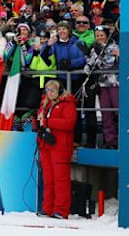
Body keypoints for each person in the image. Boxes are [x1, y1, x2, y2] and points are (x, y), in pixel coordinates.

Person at [36, 79, 77, 219]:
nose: (50, 92)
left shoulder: (68, 104)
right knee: (48, 179)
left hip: (60, 147)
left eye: (53, 90)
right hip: (46, 145)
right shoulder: (45, 104)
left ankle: (61, 209)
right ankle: (47, 208)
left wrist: (48, 122)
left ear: (59, 90)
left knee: (61, 179)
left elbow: (69, 123)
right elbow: (39, 121)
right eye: (48, 90)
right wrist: (39, 125)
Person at [86, 26, 119, 148]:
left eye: (102, 35)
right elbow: (90, 63)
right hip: (102, 84)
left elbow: (109, 63)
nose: (99, 37)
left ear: (106, 35)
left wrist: (102, 54)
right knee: (106, 113)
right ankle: (110, 141)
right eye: (97, 35)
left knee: (117, 111)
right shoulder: (95, 48)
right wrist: (88, 63)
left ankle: (123, 139)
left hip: (114, 83)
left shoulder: (113, 46)